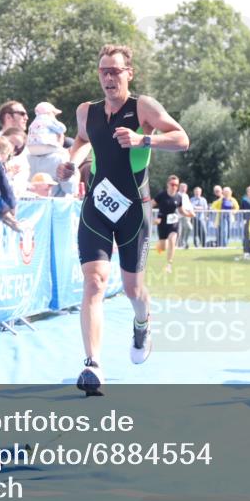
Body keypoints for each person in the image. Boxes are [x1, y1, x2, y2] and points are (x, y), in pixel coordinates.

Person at [56, 44, 189, 395]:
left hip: (134, 209)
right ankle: (93, 364)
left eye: (115, 71)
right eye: (103, 71)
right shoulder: (87, 111)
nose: (109, 77)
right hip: (97, 206)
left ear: (129, 73)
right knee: (95, 282)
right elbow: (83, 140)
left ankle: (142, 323)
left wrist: (144, 139)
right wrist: (71, 160)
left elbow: (182, 138)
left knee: (133, 289)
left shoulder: (143, 107)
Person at [27, 109, 76, 197]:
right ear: (57, 136)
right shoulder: (60, 159)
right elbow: (71, 189)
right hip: (52, 208)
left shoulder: (26, 157)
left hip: (28, 207)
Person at [153, 174, 193, 273]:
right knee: (163, 247)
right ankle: (159, 246)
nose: (174, 186)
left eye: (176, 185)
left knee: (172, 240)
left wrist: (189, 214)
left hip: (174, 222)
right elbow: (149, 205)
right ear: (168, 184)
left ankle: (169, 265)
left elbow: (181, 210)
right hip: (162, 222)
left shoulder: (179, 197)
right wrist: (153, 219)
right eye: (172, 184)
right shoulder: (161, 195)